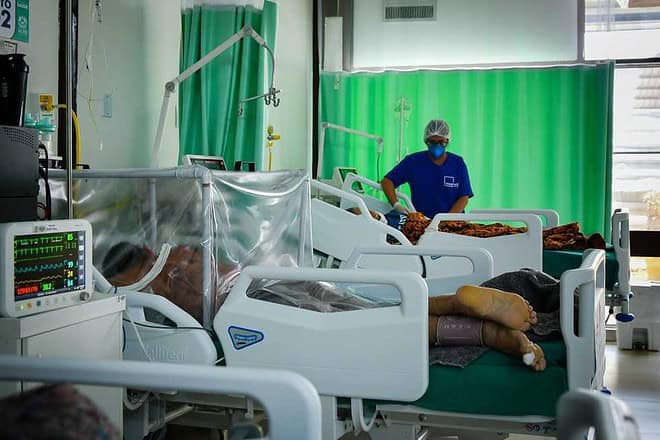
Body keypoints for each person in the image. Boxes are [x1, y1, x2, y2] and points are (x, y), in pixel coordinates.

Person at [102, 241, 546, 371]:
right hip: (277, 284)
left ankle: (485, 330)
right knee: (363, 307)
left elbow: (194, 317)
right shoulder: (185, 250)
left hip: (256, 309)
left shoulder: (164, 276)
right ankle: (462, 308)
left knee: (371, 324)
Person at [382, 119, 473, 218]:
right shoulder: (413, 162)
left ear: (447, 141)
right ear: (426, 141)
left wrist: (446, 219)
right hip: (422, 222)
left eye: (441, 142)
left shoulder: (457, 163)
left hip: (452, 222)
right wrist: (396, 204)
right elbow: (387, 181)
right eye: (432, 142)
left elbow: (464, 197)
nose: (437, 146)